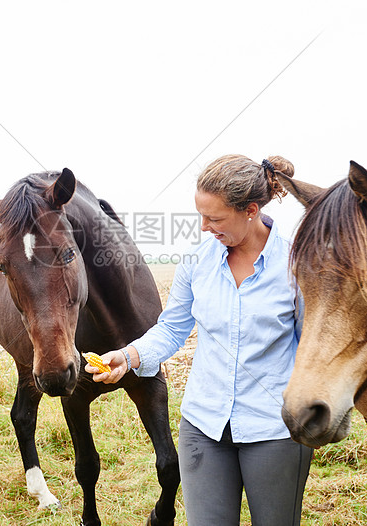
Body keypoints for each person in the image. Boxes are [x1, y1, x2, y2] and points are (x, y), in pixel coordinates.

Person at [87, 154, 312, 526]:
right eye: (201, 216)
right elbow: (172, 328)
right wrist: (127, 357)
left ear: (251, 210)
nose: (205, 227)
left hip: (273, 430)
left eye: (215, 218)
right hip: (203, 426)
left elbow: (311, 348)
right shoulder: (197, 262)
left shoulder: (297, 266)